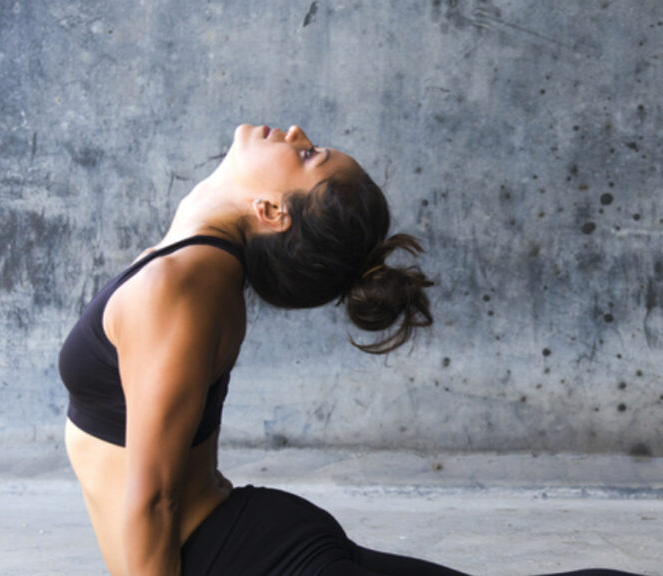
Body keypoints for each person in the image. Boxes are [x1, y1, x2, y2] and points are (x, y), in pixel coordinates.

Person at [59, 124, 643, 576]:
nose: (296, 134)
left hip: (250, 559)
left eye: (309, 155)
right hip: (247, 548)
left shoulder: (181, 285)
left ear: (271, 211)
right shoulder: (191, 269)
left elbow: (154, 501)